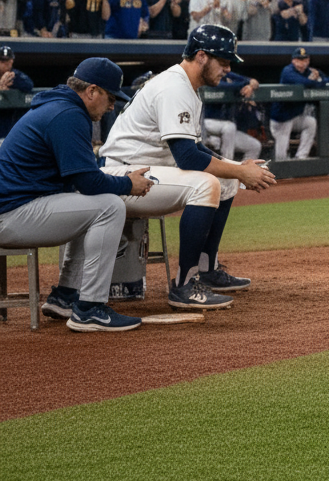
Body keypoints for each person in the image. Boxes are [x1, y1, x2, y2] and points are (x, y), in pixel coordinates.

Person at [98, 24, 276, 309]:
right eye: (223, 61)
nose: (228, 68)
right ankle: (184, 285)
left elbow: (194, 149)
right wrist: (241, 171)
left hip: (146, 169)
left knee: (227, 180)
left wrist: (236, 167)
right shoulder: (174, 87)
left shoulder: (188, 88)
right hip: (121, 174)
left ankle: (208, 269)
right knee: (207, 184)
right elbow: (189, 159)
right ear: (202, 56)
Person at [0, 57, 153, 332]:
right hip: (11, 214)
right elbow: (90, 182)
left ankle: (66, 295)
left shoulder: (60, 106)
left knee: (94, 205)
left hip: (16, 208)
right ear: (91, 91)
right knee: (109, 206)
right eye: (109, 97)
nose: (111, 106)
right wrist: (129, 185)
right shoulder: (68, 114)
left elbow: (83, 183)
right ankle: (90, 308)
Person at [268, 46, 320, 160]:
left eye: (305, 60)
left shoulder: (308, 71)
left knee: (310, 123)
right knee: (282, 152)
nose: (302, 63)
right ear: (293, 61)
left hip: (294, 117)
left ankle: (301, 157)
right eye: (299, 60)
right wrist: (313, 80)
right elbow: (302, 82)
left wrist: (316, 80)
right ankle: (281, 171)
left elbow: (324, 81)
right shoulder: (287, 71)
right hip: (281, 118)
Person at [203, 69, 264, 162]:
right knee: (229, 127)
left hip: (227, 131)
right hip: (206, 125)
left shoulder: (227, 74)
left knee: (255, 146)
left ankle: (242, 174)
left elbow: (254, 82)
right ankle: (228, 166)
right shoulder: (208, 74)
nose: (226, 68)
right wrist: (245, 85)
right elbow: (224, 87)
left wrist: (250, 86)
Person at [0, 44, 34, 140]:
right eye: (2, 61)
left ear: (12, 61)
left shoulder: (15, 76)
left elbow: (29, 85)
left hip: (8, 127)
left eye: (8, 60)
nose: (5, 64)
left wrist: (11, 86)